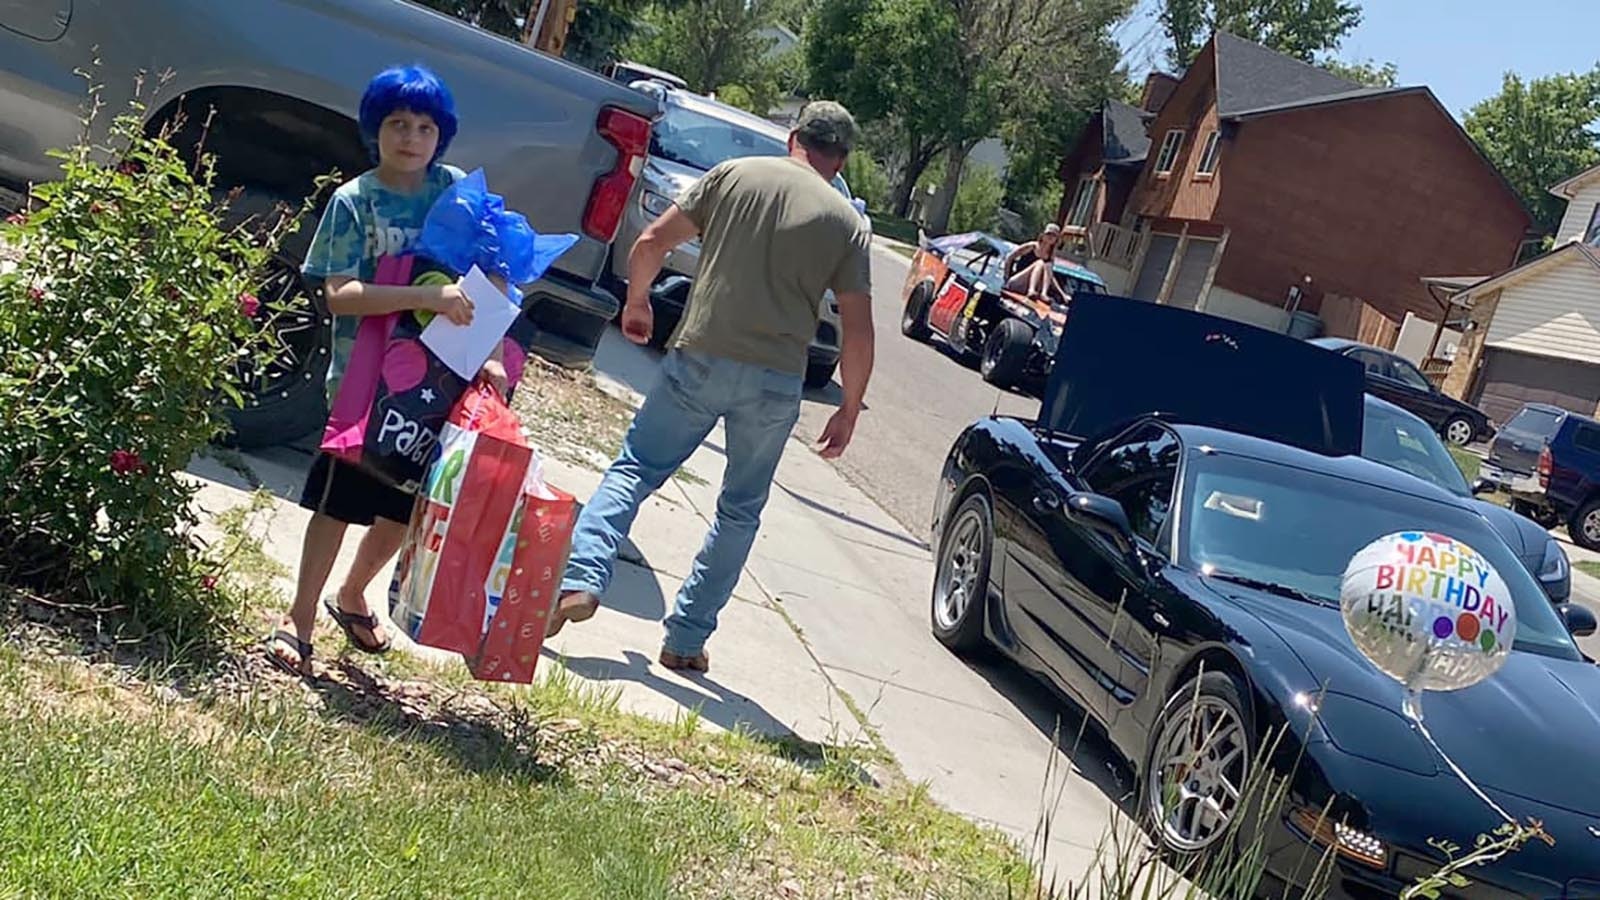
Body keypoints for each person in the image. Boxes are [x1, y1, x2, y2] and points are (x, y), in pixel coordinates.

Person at [548, 101, 876, 673]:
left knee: (635, 469)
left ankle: (581, 576)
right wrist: (848, 407)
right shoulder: (847, 223)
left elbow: (651, 242)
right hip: (775, 380)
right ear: (841, 158)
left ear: (792, 137)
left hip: (700, 354)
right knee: (739, 511)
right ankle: (686, 638)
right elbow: (859, 328)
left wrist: (637, 302)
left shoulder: (735, 175)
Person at [267, 64, 503, 676]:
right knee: (339, 501)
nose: (410, 137)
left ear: (441, 136)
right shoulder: (355, 201)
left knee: (404, 505)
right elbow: (339, 294)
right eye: (397, 123)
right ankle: (298, 618)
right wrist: (425, 298)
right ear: (376, 130)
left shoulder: (454, 190)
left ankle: (352, 595)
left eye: (425, 126)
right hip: (364, 382)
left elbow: (489, 272)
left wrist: (495, 352)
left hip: (438, 385)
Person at [1004, 222, 1066, 302]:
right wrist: (1006, 277)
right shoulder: (1032, 246)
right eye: (1048, 234)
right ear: (1043, 235)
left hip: (1029, 288)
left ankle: (1043, 293)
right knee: (1040, 263)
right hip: (1017, 282)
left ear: (1056, 239)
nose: (1050, 237)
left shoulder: (1050, 255)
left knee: (1048, 266)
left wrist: (1062, 294)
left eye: (1053, 235)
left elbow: (1050, 276)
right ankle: (1031, 290)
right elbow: (1009, 258)